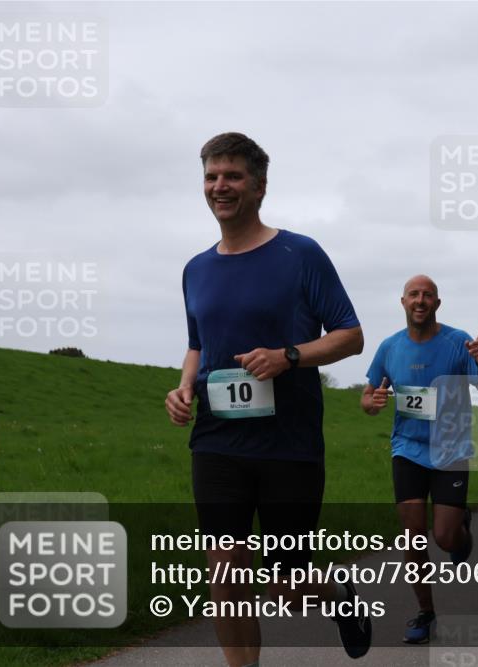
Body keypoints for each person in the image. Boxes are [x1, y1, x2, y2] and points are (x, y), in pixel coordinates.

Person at [164, 132, 371, 666]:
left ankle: (338, 596)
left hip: (288, 441)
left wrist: (290, 356)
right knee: (225, 571)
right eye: (211, 176)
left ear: (259, 185)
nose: (219, 186)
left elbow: (350, 335)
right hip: (216, 437)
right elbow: (197, 344)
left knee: (287, 586)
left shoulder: (300, 254)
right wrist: (185, 385)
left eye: (232, 175)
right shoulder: (195, 268)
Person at [361, 275, 478, 644]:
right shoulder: (389, 347)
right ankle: (425, 612)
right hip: (407, 449)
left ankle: (459, 532)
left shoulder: (459, 343)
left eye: (428, 295)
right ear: (403, 302)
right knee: (413, 536)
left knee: (444, 537)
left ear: (437, 304)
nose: (420, 300)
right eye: (414, 294)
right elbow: (369, 395)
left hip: (451, 451)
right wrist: (372, 402)